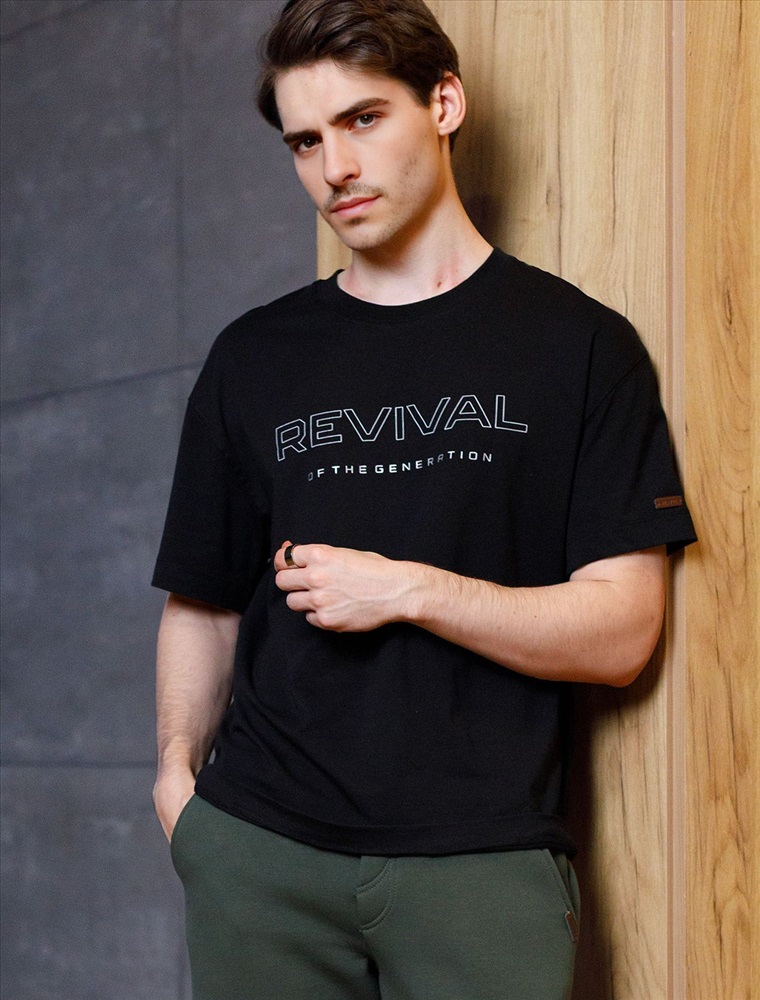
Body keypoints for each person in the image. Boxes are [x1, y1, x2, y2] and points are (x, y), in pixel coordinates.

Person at [151, 1, 696, 997]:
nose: (334, 168)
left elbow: (623, 633)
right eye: (305, 141)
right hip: (258, 850)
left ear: (443, 102)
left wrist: (407, 590)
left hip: (480, 863)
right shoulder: (252, 357)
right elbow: (205, 599)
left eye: (363, 120)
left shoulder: (577, 345)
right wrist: (178, 783)